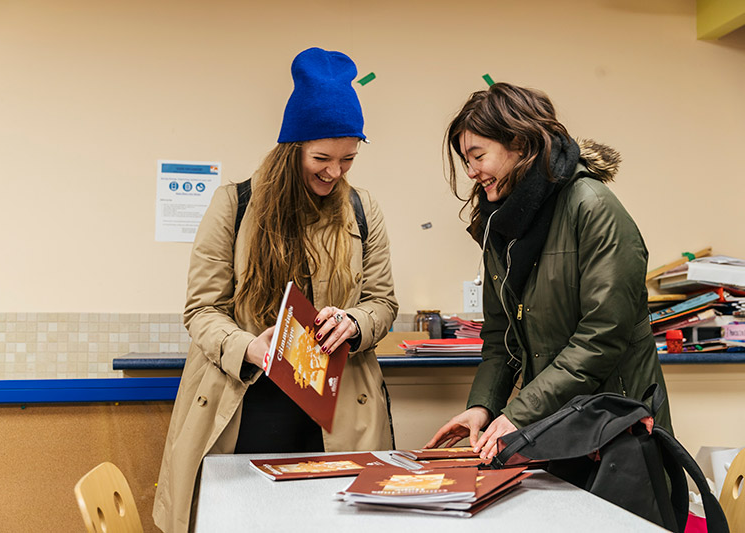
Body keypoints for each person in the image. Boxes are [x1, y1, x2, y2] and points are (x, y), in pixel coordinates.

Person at [153, 47, 398, 532]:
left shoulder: (364, 209)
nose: (334, 173)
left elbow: (383, 302)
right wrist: (250, 346)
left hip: (336, 411)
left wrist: (354, 322)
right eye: (321, 159)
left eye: (348, 159)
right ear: (291, 150)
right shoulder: (234, 205)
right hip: (245, 404)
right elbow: (202, 310)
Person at [425, 82, 672, 459]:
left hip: (617, 426)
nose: (472, 171)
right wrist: (483, 406)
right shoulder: (498, 221)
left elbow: (601, 337)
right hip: (553, 422)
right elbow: (500, 337)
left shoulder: (592, 207)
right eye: (466, 160)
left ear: (520, 144)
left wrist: (519, 413)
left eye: (478, 155)